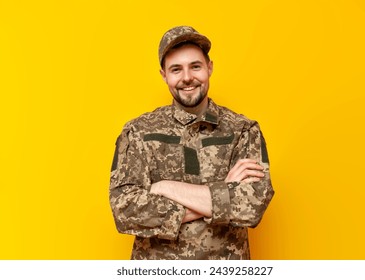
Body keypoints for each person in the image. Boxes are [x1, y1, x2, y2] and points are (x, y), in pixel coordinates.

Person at [109, 26, 274, 260]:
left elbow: (252, 206)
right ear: (164, 75)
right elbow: (125, 211)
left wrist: (165, 187)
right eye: (176, 69)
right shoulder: (138, 131)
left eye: (195, 66)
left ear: (209, 67)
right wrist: (223, 190)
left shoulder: (243, 130)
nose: (187, 77)